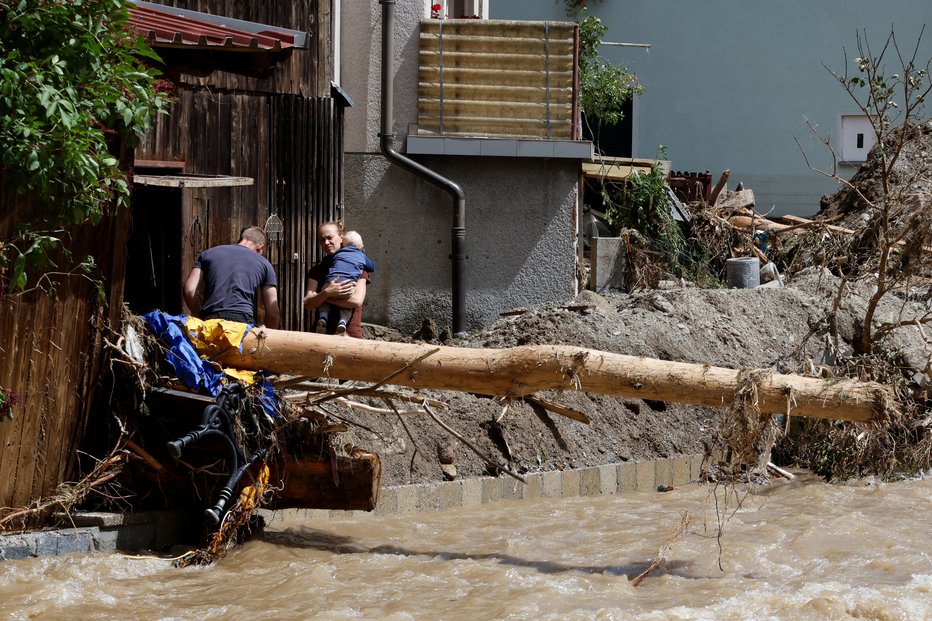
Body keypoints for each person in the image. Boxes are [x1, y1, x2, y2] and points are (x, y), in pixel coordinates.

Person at [183, 226, 280, 329]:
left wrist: (199, 315)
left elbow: (189, 290)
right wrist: (268, 336)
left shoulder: (208, 254)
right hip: (242, 325)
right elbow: (273, 313)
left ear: (240, 239)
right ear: (260, 247)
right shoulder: (265, 264)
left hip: (210, 321)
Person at [303, 222, 369, 337]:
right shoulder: (317, 270)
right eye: (322, 240)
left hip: (349, 336)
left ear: (341, 237)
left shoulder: (358, 267)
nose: (326, 243)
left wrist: (324, 296)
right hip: (321, 336)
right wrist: (328, 292)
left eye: (330, 238)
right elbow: (308, 304)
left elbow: (357, 301)